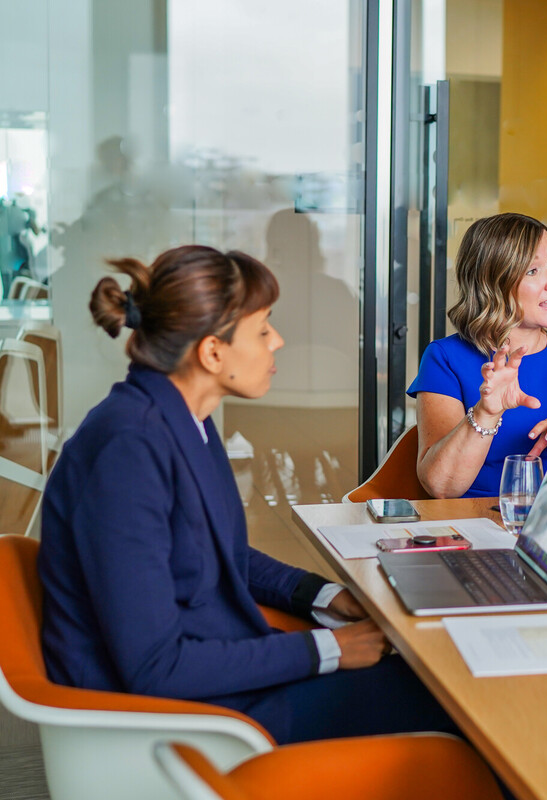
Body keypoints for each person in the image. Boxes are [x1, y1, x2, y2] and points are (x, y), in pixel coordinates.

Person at [38, 246, 456, 744]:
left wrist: (326, 598)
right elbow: (155, 667)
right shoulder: (126, 450)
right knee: (449, 700)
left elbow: (222, 554)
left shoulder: (183, 417)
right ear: (212, 352)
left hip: (218, 671)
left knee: (434, 673)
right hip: (178, 719)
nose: (278, 341)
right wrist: (329, 651)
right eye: (262, 330)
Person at [409, 212, 547, 498]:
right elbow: (442, 487)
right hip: (477, 526)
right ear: (492, 284)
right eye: (533, 271)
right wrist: (486, 413)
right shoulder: (445, 359)